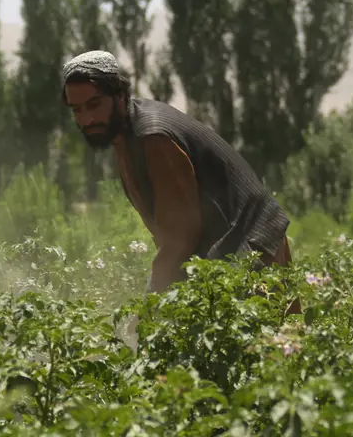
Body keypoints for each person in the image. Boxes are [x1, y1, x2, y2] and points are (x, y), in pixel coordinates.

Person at [61, 49, 297, 303]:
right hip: (227, 255)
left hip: (254, 248)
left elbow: (180, 236)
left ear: (119, 95)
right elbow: (167, 233)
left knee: (269, 329)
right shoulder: (125, 138)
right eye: (77, 110)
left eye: (94, 105)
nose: (86, 119)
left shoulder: (153, 137)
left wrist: (150, 307)